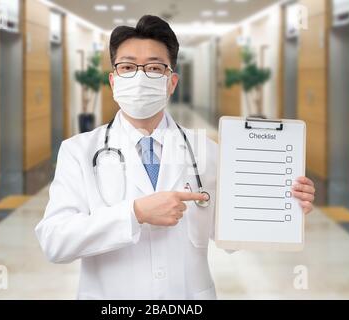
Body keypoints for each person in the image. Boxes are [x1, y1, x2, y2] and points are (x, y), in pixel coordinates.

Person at [35, 15, 316, 300]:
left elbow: (233, 233)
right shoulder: (79, 151)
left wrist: (284, 203)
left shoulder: (207, 150)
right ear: (113, 80)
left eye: (155, 68)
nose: (141, 76)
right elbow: (55, 241)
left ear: (172, 82)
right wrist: (135, 214)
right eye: (128, 66)